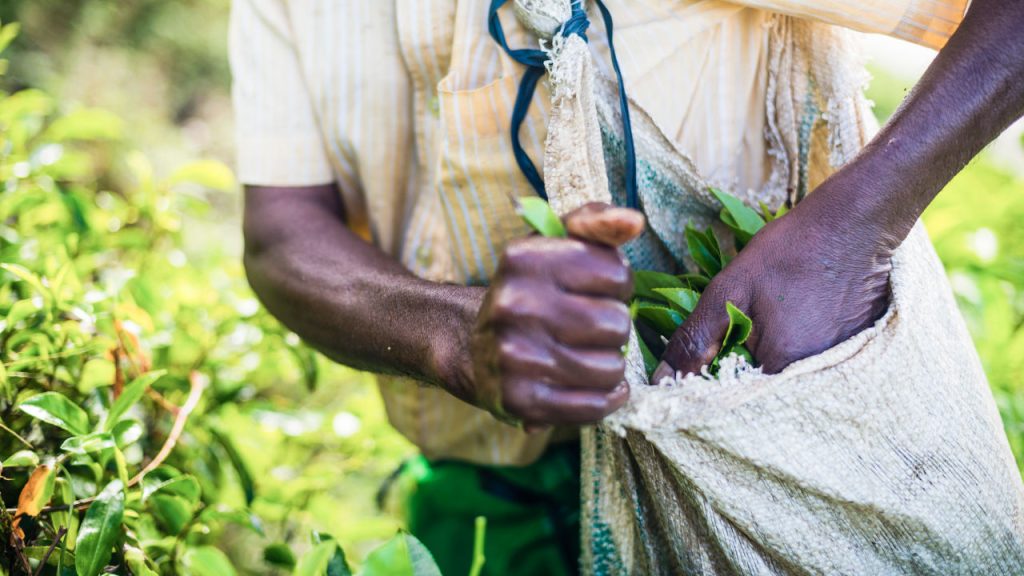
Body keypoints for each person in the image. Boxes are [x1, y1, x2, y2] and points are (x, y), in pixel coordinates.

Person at [230, 0, 1024, 574]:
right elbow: (280, 233)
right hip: (482, 481)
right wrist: (452, 336)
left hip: (761, 455)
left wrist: (856, 226)